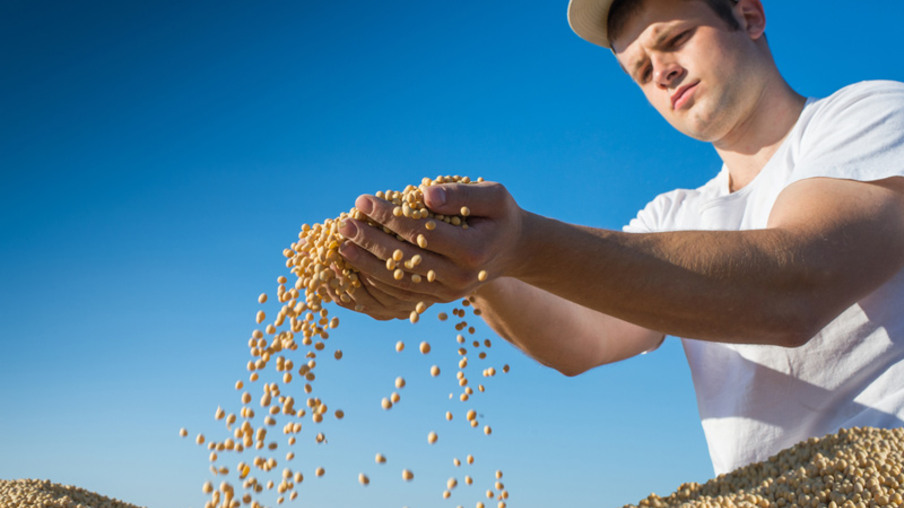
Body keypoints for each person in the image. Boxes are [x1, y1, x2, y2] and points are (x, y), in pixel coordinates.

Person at [332, 0, 904, 475]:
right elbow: (579, 340)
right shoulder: (673, 215)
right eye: (640, 69)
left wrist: (521, 243)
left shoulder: (867, 115)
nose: (662, 72)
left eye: (675, 38)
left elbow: (792, 288)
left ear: (749, 16)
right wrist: (471, 267)